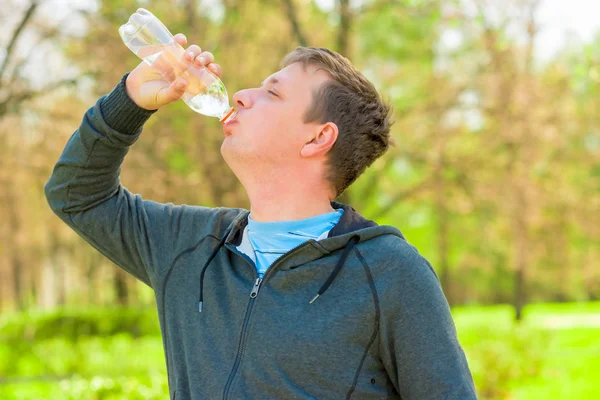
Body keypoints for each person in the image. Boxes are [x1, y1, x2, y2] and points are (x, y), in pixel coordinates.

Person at [45, 31, 477, 399]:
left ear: (318, 137)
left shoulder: (391, 274)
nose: (240, 95)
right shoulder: (188, 245)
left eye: (272, 92)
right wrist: (130, 101)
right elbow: (76, 196)